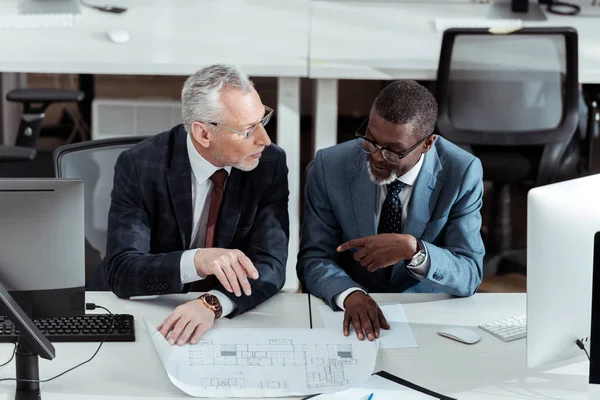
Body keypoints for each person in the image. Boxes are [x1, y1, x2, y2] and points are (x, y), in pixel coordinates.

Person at [102, 64, 289, 345]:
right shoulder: (140, 166)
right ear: (203, 134)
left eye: (263, 121)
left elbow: (271, 264)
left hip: (226, 320)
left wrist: (212, 303)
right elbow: (122, 270)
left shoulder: (269, 163)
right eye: (249, 129)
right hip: (151, 311)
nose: (265, 139)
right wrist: (197, 261)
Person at [298, 80, 484, 342]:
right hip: (348, 316)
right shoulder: (330, 167)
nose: (376, 156)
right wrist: (350, 294)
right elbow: (313, 259)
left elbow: (469, 274)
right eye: (371, 140)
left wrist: (415, 251)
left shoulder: (461, 172)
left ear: (427, 144)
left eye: (393, 151)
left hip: (427, 316)